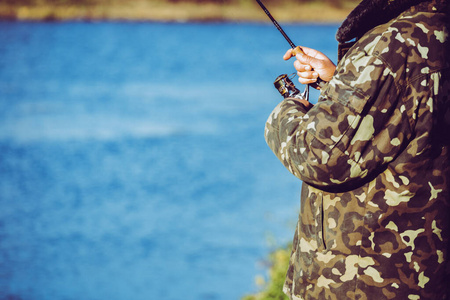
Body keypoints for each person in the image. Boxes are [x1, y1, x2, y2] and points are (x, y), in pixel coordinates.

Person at [264, 0, 450, 299]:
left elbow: (317, 155)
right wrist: (338, 85)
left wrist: (290, 109)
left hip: (364, 282)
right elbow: (405, 117)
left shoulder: (394, 43)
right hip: (423, 274)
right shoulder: (435, 27)